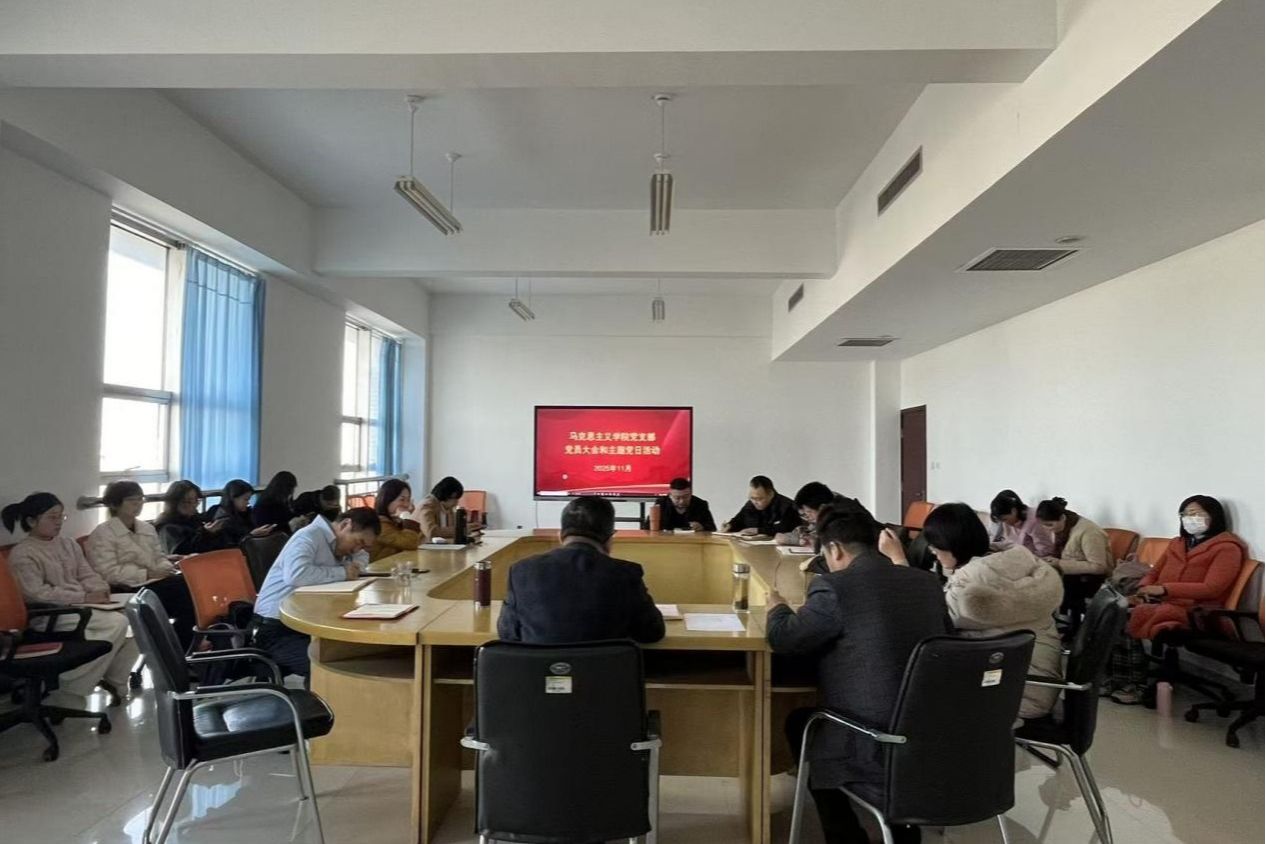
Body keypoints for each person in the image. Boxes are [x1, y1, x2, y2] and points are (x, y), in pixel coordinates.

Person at [765, 500, 950, 844]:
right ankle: (901, 832)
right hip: (934, 739)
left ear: (834, 549)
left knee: (802, 723)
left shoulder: (834, 587)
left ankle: (845, 835)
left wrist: (776, 608)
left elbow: (784, 638)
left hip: (874, 743)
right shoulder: (927, 584)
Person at [917, 502, 1064, 720]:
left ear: (951, 545)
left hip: (1017, 693)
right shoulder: (1013, 561)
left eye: (935, 547)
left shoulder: (972, 586)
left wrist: (899, 562)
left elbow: (929, 618)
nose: (933, 553)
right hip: (1038, 682)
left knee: (913, 694)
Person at [2, 493, 139, 708]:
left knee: (139, 617)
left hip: (84, 605)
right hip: (52, 614)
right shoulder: (23, 553)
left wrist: (100, 590)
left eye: (61, 516)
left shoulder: (68, 544)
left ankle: (115, 679)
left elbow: (87, 573)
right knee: (117, 623)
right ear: (31, 521)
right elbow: (37, 594)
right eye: (52, 517)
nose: (58, 522)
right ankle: (71, 688)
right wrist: (84, 597)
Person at [1108, 495, 1247, 705]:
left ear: (1214, 516)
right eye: (1185, 514)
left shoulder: (1227, 548)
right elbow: (1154, 572)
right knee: (1112, 609)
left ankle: (1134, 685)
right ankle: (1117, 678)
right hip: (1163, 601)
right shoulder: (1178, 543)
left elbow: (1212, 588)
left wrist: (1164, 589)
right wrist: (1145, 586)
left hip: (1199, 611)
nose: (1190, 518)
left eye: (1196, 514)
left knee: (1130, 616)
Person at [498, 496, 665, 644]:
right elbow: (652, 632)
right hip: (606, 670)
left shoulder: (522, 571)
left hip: (539, 669)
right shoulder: (625, 573)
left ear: (560, 535)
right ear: (609, 538)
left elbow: (508, 633)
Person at [251, 508, 381, 680]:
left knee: (355, 652)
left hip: (304, 624)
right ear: (345, 525)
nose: (357, 549)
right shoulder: (309, 536)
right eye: (358, 542)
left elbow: (362, 558)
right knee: (329, 665)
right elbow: (296, 574)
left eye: (363, 546)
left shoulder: (339, 544)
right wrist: (342, 572)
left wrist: (353, 564)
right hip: (275, 628)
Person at [86, 480, 199, 651]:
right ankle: (180, 648)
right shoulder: (103, 533)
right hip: (126, 587)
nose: (138, 504)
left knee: (191, 585)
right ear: (115, 504)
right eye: (132, 500)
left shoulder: (146, 528)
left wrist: (166, 568)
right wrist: (146, 574)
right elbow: (108, 572)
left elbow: (159, 556)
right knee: (185, 592)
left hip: (155, 581)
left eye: (140, 499)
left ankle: (182, 645)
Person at [154, 480, 231, 555]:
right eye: (188, 501)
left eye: (196, 500)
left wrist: (215, 532)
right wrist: (206, 533)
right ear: (174, 503)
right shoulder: (167, 527)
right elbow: (181, 553)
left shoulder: (194, 519)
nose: (194, 505)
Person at [720, 475, 801, 538]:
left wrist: (758, 530)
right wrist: (730, 525)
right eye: (752, 498)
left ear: (770, 494)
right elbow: (739, 519)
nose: (755, 502)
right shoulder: (750, 505)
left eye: (759, 499)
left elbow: (785, 528)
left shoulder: (787, 506)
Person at [988, 490, 1055, 557]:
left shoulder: (1034, 521)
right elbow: (1011, 543)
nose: (1005, 523)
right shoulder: (1010, 521)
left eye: (1005, 519)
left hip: (1036, 558)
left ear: (1013, 511)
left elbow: (1046, 551)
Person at [371, 479, 423, 562]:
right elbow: (411, 543)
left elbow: (421, 540)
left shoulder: (395, 521)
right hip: (379, 569)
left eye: (408, 500)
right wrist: (407, 517)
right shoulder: (379, 524)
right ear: (387, 500)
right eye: (402, 500)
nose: (406, 505)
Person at [415, 476, 480, 542]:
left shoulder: (446, 508)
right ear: (447, 495)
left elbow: (451, 528)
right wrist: (461, 530)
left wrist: (467, 527)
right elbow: (431, 532)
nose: (456, 503)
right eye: (455, 499)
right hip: (420, 546)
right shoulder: (427, 505)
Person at [776, 481, 834, 546]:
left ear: (822, 508)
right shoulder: (818, 521)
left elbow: (826, 543)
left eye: (809, 512)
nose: (807, 518)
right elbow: (807, 533)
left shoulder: (839, 521)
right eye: (803, 515)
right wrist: (800, 537)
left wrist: (801, 540)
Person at [650, 477, 716, 532]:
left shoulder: (700, 504)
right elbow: (647, 527)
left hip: (692, 541)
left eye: (686, 497)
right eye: (677, 498)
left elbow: (712, 528)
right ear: (670, 495)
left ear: (690, 493)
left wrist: (702, 527)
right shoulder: (661, 503)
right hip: (666, 540)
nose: (682, 501)